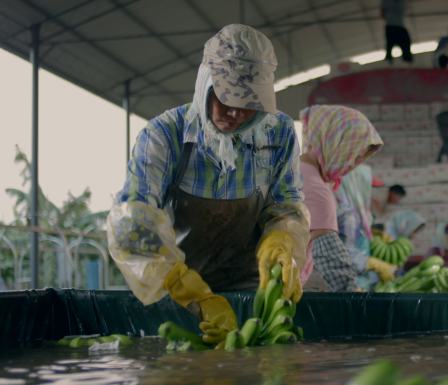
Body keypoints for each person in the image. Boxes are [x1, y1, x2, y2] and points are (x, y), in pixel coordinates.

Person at [106, 25, 310, 346]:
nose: (236, 113)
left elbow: (287, 206)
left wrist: (282, 240)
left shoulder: (278, 133)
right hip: (179, 289)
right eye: (226, 97)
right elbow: (133, 222)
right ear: (205, 84)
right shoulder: (164, 135)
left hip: (250, 290)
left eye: (250, 103)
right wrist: (183, 285)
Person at [300, 105, 385, 291]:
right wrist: (354, 295)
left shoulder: (293, 170)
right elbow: (331, 260)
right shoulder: (316, 189)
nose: (352, 166)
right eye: (353, 156)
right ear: (335, 144)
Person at [335, 165, 397, 287]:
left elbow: (356, 240)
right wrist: (374, 264)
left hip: (363, 282)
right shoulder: (348, 217)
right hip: (350, 285)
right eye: (369, 187)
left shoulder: (361, 215)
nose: (372, 194)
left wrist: (375, 234)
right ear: (357, 187)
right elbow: (346, 255)